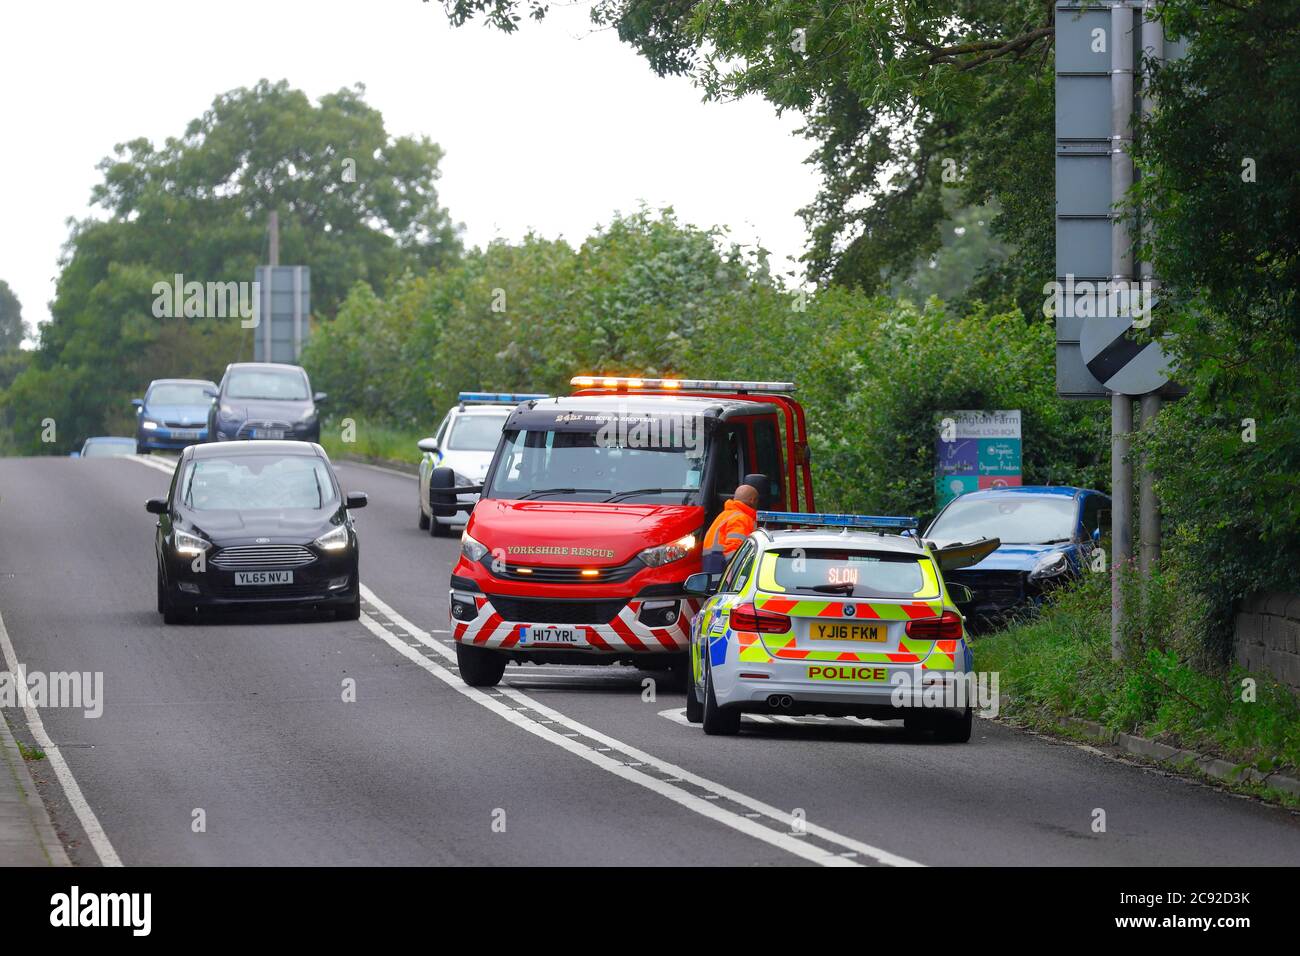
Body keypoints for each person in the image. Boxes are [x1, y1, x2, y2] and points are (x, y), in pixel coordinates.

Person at [702, 484, 759, 572]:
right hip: (724, 572)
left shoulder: (723, 516)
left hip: (712, 568)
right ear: (752, 500)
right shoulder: (741, 518)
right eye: (756, 500)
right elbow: (734, 550)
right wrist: (738, 572)